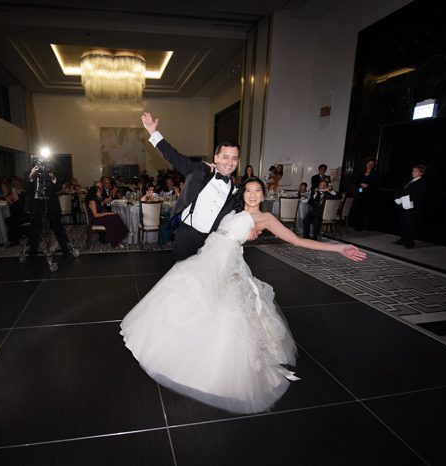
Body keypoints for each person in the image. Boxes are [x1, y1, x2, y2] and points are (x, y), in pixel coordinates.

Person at [121, 177, 366, 414]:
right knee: (185, 298)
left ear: (263, 194)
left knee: (222, 312)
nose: (252, 195)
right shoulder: (234, 210)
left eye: (257, 191)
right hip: (207, 259)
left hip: (225, 266)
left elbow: (297, 241)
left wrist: (339, 247)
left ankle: (209, 366)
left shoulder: (265, 218)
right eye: (248, 190)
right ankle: (175, 350)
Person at [141, 112, 254, 261]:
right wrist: (152, 131)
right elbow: (174, 156)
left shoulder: (235, 190)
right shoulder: (200, 171)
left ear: (238, 161)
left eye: (234, 158)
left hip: (212, 241)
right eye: (225, 157)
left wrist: (249, 229)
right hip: (187, 235)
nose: (229, 162)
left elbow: (241, 214)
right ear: (216, 158)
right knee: (181, 277)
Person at [25, 165, 74, 259]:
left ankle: (66, 251)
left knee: (58, 228)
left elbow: (59, 188)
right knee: (35, 230)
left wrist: (53, 178)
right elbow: (27, 189)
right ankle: (32, 254)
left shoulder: (52, 172)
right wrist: (31, 175)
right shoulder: (30, 173)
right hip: (36, 205)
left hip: (51, 205)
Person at [394, 164, 426, 249]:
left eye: (415, 171)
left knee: (410, 224)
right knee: (403, 222)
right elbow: (402, 190)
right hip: (404, 205)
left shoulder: (422, 182)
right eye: (413, 171)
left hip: (412, 206)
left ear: (421, 173)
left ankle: (410, 242)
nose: (413, 172)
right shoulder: (410, 180)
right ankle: (403, 239)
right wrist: (398, 198)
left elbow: (417, 195)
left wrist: (403, 199)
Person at [351, 159, 378, 231]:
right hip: (359, 193)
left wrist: (368, 186)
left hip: (369, 194)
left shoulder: (375, 174)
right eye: (369, 163)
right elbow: (355, 181)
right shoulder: (361, 172)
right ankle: (357, 225)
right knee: (358, 209)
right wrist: (360, 184)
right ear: (366, 164)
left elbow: (376, 185)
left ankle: (363, 226)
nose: (370, 165)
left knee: (365, 211)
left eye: (372, 164)